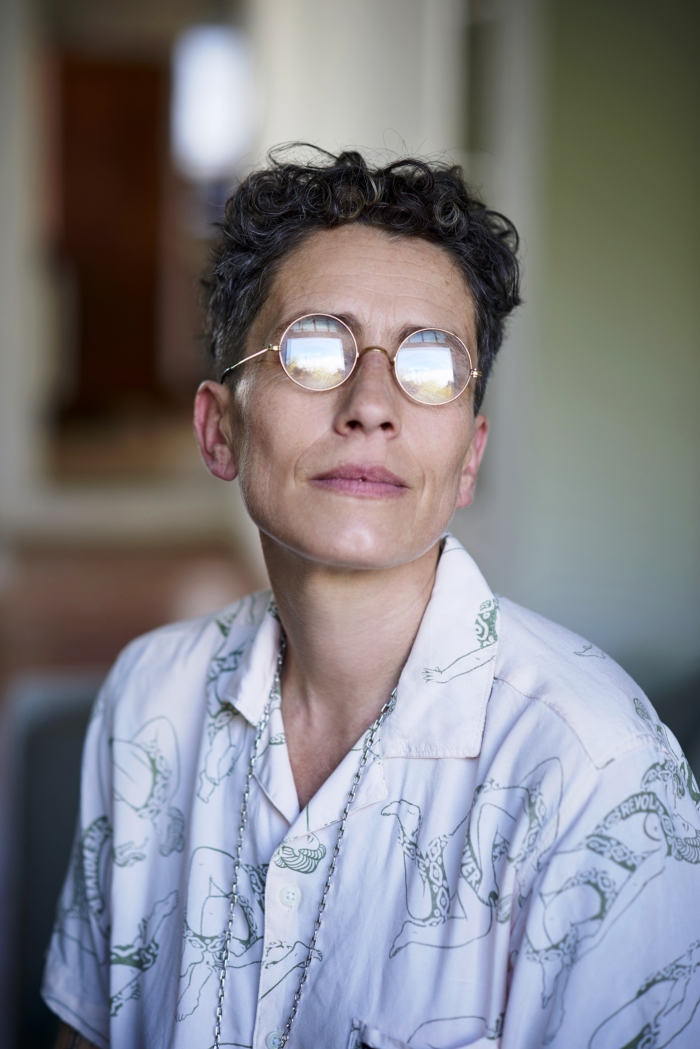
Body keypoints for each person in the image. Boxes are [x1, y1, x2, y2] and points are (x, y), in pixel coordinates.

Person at [44, 149, 700, 1049]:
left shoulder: (599, 775)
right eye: (316, 348)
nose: (372, 404)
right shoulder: (147, 696)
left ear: (468, 457)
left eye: (430, 362)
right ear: (219, 428)